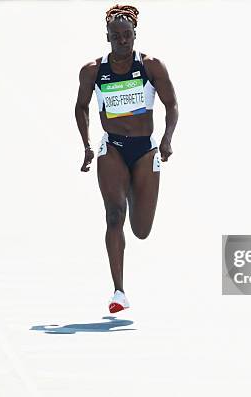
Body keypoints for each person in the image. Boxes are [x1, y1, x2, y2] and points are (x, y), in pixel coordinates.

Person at [74, 4, 178, 313]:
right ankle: (118, 291)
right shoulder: (93, 70)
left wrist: (167, 138)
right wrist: (87, 146)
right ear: (107, 37)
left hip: (145, 149)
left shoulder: (151, 66)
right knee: (114, 214)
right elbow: (80, 107)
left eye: (127, 35)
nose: (122, 41)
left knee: (141, 230)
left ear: (135, 35)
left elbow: (172, 104)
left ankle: (134, 187)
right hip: (113, 149)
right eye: (116, 36)